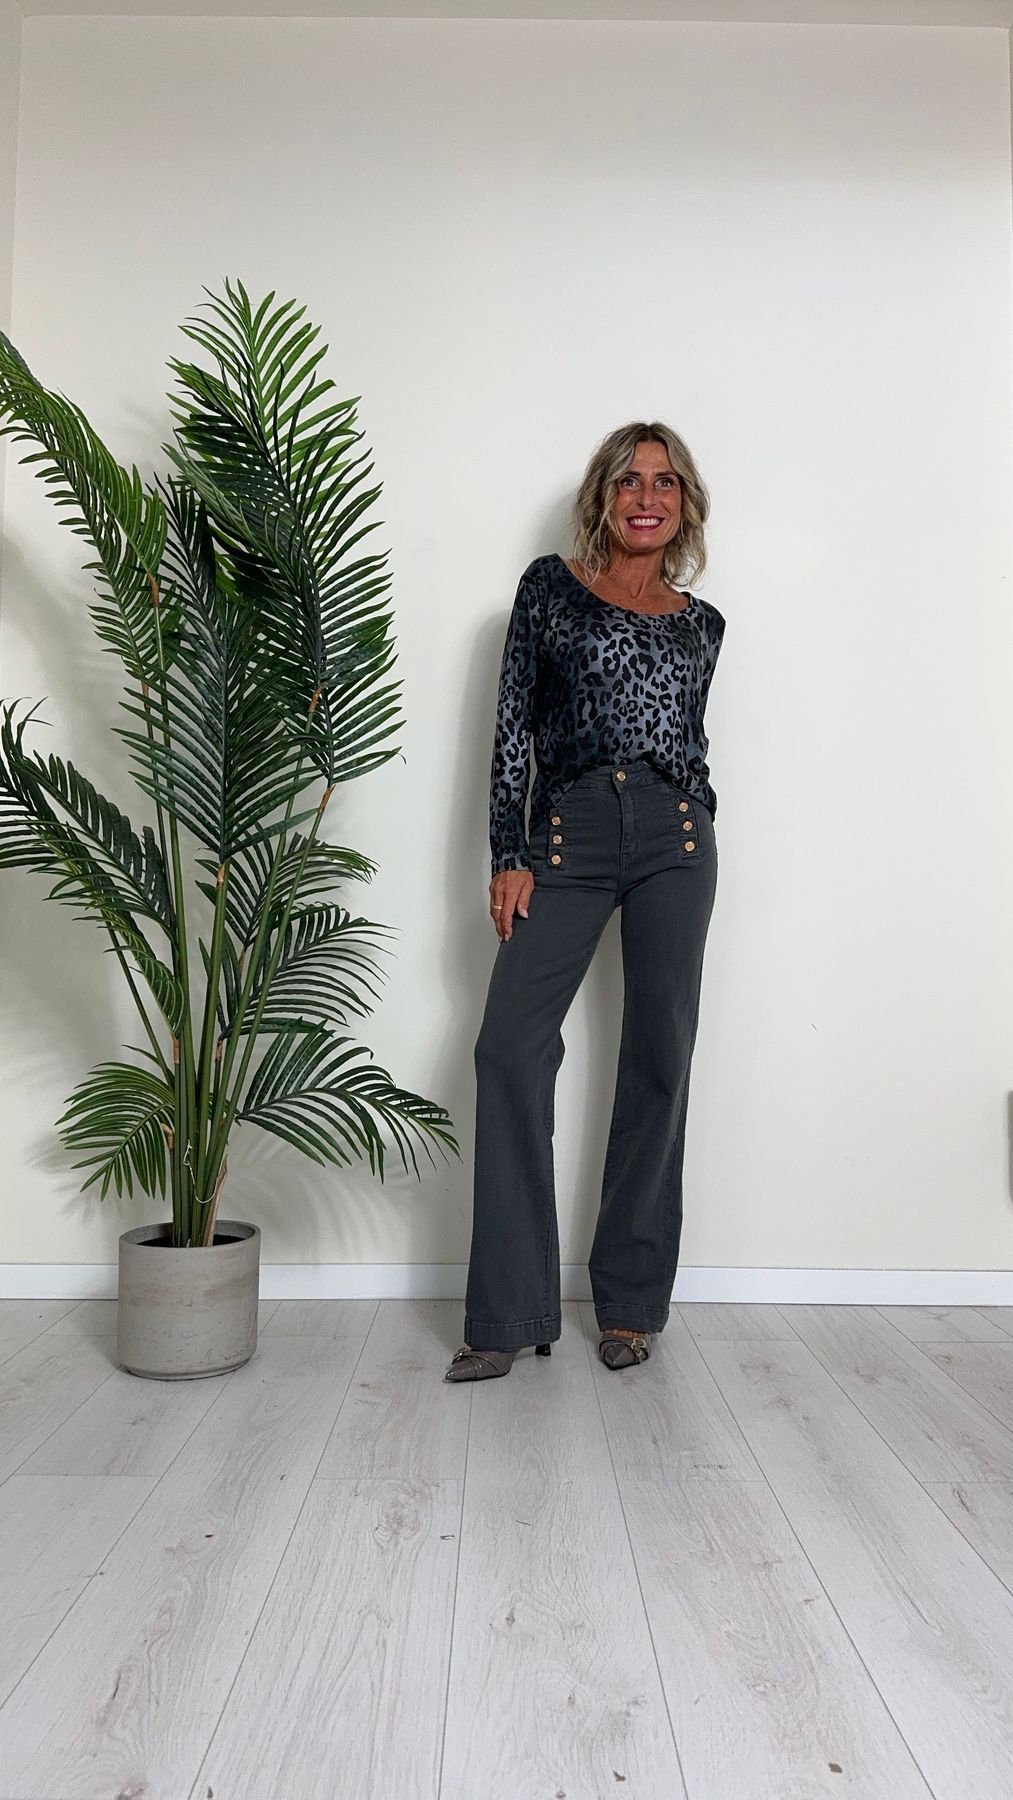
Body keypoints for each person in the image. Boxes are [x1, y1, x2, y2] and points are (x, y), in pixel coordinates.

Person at [445, 422, 726, 1383]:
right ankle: (509, 1312)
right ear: (602, 496)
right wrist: (509, 852)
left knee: (658, 1058)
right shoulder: (550, 590)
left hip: (673, 840)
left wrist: (690, 820)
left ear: (684, 502)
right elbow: (513, 727)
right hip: (566, 833)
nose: (646, 497)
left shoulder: (701, 624)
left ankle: (631, 1306)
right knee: (508, 1047)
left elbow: (687, 746)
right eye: (629, 480)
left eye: (665, 482)